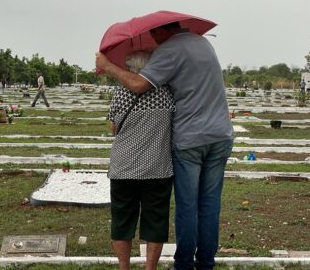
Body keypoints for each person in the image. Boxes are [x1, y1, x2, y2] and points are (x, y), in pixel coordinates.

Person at [96, 21, 234, 270]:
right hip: (221, 135)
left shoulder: (169, 50)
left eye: (153, 35)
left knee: (188, 206)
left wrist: (107, 66)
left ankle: (183, 264)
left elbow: (139, 84)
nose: (153, 40)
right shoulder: (204, 44)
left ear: (161, 31)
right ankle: (205, 263)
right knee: (210, 204)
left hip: (191, 139)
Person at [108, 51, 175, 270]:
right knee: (155, 222)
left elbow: (113, 129)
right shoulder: (166, 93)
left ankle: (124, 267)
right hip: (157, 168)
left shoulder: (120, 93)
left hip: (123, 168)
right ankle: (150, 268)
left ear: (130, 69)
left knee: (122, 221)